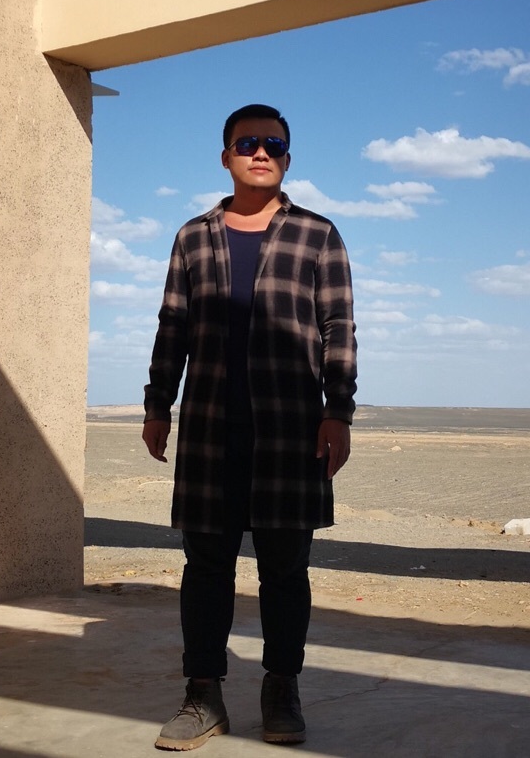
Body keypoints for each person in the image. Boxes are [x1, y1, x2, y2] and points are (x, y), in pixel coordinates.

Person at [143, 103, 357, 750]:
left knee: (285, 569)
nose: (260, 152)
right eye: (246, 143)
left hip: (291, 428)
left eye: (272, 144)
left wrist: (338, 411)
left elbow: (337, 327)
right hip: (210, 425)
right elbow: (172, 325)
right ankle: (202, 694)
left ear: (286, 158)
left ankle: (280, 687)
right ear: (226, 156)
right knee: (205, 566)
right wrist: (158, 404)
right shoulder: (193, 237)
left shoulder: (317, 235)